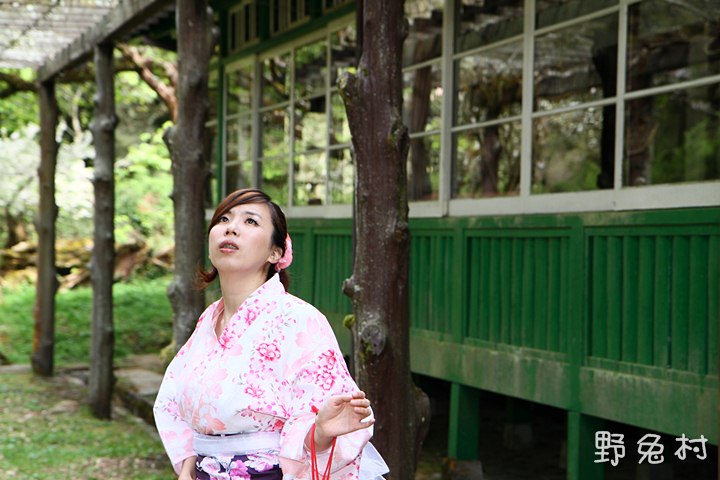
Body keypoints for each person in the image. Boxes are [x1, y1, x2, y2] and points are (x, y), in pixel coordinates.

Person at [154, 188, 384, 480]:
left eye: (250, 221)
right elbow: (171, 400)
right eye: (223, 219)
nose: (231, 228)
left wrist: (321, 433)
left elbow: (331, 420)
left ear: (275, 252)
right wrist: (188, 462)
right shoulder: (209, 319)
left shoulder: (299, 319)